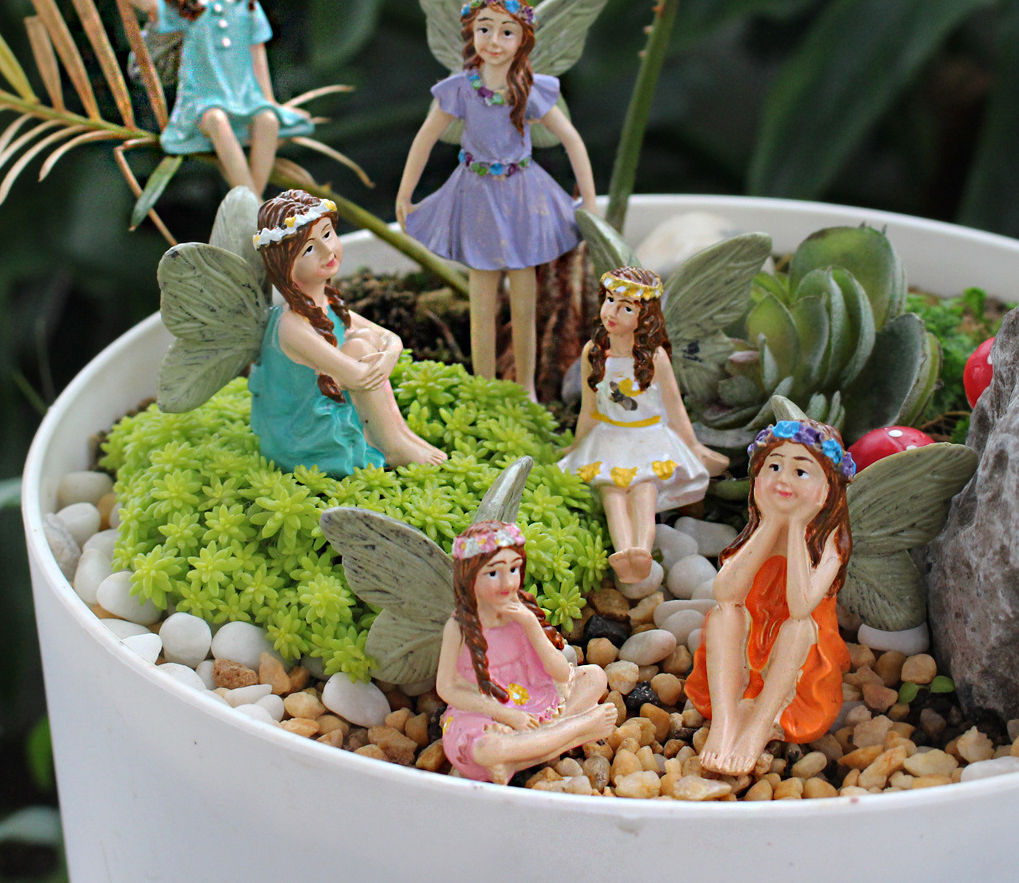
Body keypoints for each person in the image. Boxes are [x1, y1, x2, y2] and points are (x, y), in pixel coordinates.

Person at [396, 0, 598, 398]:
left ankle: (525, 389)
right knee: (481, 305)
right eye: (484, 29)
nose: (494, 41)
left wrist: (590, 200)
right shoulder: (460, 89)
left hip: (523, 196)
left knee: (524, 306)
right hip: (475, 197)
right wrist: (405, 193)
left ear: (523, 40)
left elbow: (572, 139)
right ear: (471, 33)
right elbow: (424, 139)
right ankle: (483, 387)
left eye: (507, 32)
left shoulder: (531, 89)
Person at [685, 420, 855, 779]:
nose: (783, 480)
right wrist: (770, 524)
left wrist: (796, 527)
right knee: (722, 615)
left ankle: (759, 725)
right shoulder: (759, 525)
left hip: (800, 646)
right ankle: (725, 720)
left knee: (798, 627)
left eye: (800, 472)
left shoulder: (830, 541)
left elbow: (801, 606)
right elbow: (725, 591)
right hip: (751, 633)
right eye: (774, 467)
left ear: (828, 489)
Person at [250, 190, 445, 476]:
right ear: (285, 266)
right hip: (302, 432)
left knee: (362, 344)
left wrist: (389, 354)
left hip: (332, 401)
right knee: (359, 349)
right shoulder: (292, 326)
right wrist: (384, 358)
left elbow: (389, 338)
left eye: (327, 235)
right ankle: (393, 445)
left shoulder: (327, 303)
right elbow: (355, 376)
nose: (328, 251)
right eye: (309, 249)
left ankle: (399, 436)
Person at [560, 267, 728, 584]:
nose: (612, 312)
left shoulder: (654, 357)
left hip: (648, 436)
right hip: (609, 434)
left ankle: (642, 550)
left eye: (626, 307)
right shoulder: (593, 353)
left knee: (643, 491)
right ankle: (623, 552)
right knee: (612, 493)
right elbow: (589, 408)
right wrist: (577, 444)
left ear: (645, 317)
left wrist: (693, 445)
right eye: (610, 300)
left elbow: (674, 407)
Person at [127, 0, 307, 194]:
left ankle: (252, 200)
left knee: (267, 120)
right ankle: (252, 202)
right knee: (217, 120)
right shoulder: (188, 8)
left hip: (245, 98)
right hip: (202, 104)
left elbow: (257, 51)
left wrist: (268, 100)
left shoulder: (246, 3)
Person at [436, 521, 616, 785]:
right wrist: (508, 716)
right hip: (483, 712)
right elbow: (446, 688)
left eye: (513, 569)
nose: (508, 582)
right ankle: (580, 729)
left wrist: (530, 624)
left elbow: (561, 674)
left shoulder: (521, 614)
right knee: (488, 749)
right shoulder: (459, 627)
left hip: (534, 699)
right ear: (469, 577)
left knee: (595, 676)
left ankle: (518, 758)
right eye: (493, 573)